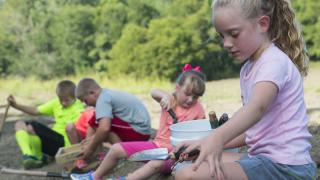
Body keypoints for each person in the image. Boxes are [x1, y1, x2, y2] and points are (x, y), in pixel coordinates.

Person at [174, 0, 317, 180]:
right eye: (222, 36)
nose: (226, 43)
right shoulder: (248, 69)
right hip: (265, 160)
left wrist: (217, 137)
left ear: (262, 24)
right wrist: (202, 144)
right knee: (197, 162)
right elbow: (250, 129)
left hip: (286, 167)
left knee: (186, 175)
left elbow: (256, 109)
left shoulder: (273, 62)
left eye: (234, 34)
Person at [70, 64, 207, 180]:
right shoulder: (171, 99)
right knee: (116, 149)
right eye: (187, 94)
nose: (190, 99)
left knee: (156, 163)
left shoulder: (198, 110)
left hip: (176, 155)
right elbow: (154, 92)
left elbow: (202, 134)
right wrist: (164, 96)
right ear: (177, 88)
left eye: (195, 97)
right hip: (156, 145)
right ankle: (94, 177)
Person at [7, 80, 85, 169]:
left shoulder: (79, 108)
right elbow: (35, 110)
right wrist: (16, 106)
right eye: (61, 100)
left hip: (63, 146)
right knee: (20, 124)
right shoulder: (56, 103)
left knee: (33, 125)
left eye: (66, 100)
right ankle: (32, 157)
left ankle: (35, 156)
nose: (63, 103)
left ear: (75, 97)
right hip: (52, 142)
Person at [74, 78, 152, 161]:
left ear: (92, 93)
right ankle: (89, 150)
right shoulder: (106, 93)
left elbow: (104, 129)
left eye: (85, 101)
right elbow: (94, 123)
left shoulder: (103, 99)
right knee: (95, 119)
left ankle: (124, 153)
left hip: (140, 132)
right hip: (141, 129)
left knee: (102, 126)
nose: (86, 104)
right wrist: (89, 141)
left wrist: (90, 149)